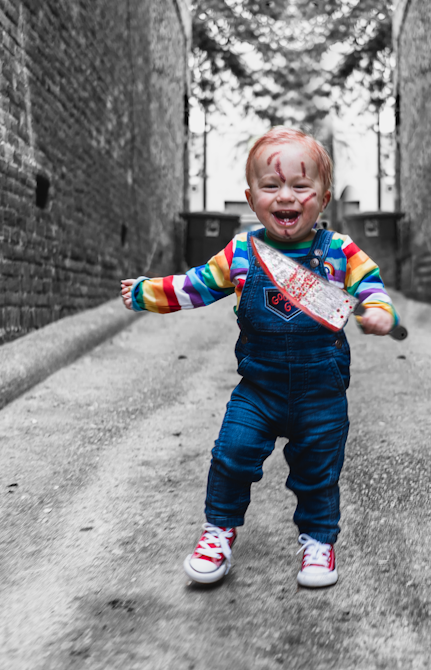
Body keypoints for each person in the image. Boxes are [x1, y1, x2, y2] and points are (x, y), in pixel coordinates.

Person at [120, 126, 399, 588]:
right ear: (251, 199)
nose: (285, 195)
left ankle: (318, 543)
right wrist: (148, 292)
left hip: (322, 392)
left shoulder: (338, 252)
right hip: (259, 388)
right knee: (231, 455)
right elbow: (197, 285)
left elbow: (370, 286)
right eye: (271, 186)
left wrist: (378, 311)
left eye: (300, 185)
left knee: (318, 472)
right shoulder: (243, 253)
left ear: (323, 197)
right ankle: (218, 532)